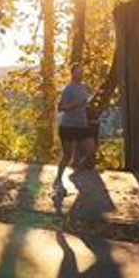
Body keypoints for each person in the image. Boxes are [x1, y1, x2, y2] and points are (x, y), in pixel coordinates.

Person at [52, 64, 91, 192]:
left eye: (82, 72)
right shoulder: (68, 89)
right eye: (78, 72)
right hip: (68, 126)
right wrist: (76, 104)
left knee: (90, 150)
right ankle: (58, 179)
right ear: (72, 74)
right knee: (67, 155)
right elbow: (60, 108)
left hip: (82, 125)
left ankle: (75, 173)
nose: (81, 74)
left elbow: (84, 105)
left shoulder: (84, 88)